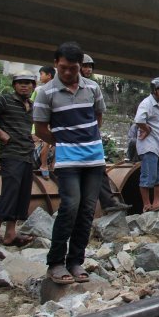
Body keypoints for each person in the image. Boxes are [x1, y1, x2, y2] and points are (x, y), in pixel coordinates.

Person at [34, 42, 106, 284]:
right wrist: (65, 141)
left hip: (94, 159)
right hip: (67, 161)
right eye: (63, 68)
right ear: (56, 64)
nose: (67, 73)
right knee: (70, 207)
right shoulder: (46, 92)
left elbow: (98, 118)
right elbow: (41, 129)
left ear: (80, 67)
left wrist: (87, 140)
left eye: (72, 69)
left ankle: (75, 261)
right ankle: (55, 262)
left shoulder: (93, 88)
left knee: (87, 210)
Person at [0, 71, 37, 247]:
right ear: (14, 85)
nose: (24, 85)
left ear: (34, 86)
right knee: (10, 191)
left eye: (28, 82)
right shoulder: (5, 100)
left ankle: (11, 233)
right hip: (11, 153)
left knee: (23, 193)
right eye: (20, 83)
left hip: (27, 154)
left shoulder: (32, 105)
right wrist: (0, 132)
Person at [81, 54, 131, 214]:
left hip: (90, 137)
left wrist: (93, 132)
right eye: (85, 66)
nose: (88, 69)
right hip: (71, 141)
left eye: (90, 66)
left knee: (99, 168)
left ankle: (108, 202)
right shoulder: (61, 88)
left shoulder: (92, 87)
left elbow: (99, 114)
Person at [135, 77, 159, 213]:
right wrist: (147, 129)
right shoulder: (147, 103)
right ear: (155, 90)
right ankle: (146, 204)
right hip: (149, 146)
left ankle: (156, 202)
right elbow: (139, 120)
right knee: (148, 176)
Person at [32, 65, 56, 179]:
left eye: (41, 74)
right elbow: (31, 106)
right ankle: (43, 165)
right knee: (46, 143)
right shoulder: (39, 90)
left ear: (49, 75)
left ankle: (53, 165)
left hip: (53, 122)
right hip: (41, 123)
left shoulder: (57, 89)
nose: (40, 76)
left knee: (57, 143)